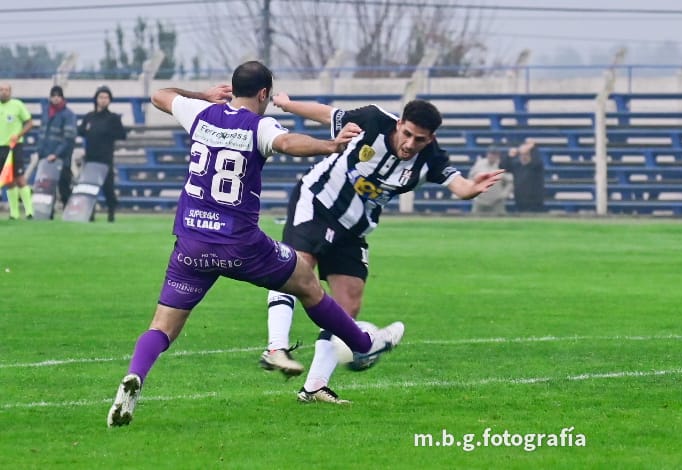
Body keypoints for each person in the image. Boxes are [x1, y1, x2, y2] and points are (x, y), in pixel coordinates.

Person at [107, 61, 405, 427]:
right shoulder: (259, 125)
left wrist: (202, 94)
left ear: (232, 89)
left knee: (162, 327)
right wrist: (329, 145)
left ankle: (135, 375)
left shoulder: (200, 112)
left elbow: (159, 95)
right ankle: (362, 345)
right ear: (264, 93)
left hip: (191, 243)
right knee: (308, 284)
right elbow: (287, 142)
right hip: (240, 245)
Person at [261, 93, 504, 404]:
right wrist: (288, 104)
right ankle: (275, 348)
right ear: (399, 123)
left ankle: (314, 387)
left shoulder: (430, 158)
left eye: (420, 139)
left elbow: (460, 186)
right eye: (407, 134)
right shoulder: (373, 120)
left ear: (430, 138)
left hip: (354, 228)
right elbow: (327, 114)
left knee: (349, 304)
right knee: (296, 269)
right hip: (318, 201)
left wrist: (473, 188)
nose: (410, 144)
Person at [77, 85, 127, 222]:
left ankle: (111, 212)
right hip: (90, 157)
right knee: (89, 187)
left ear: (110, 100)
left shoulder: (113, 118)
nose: (103, 100)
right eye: (101, 97)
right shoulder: (89, 117)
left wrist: (108, 133)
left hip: (105, 158)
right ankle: (90, 213)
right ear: (96, 99)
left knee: (108, 187)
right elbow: (80, 131)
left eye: (106, 97)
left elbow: (122, 134)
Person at [36, 85, 77, 212]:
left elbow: (69, 139)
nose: (56, 98)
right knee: (46, 188)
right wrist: (40, 151)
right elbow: (42, 134)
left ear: (62, 98)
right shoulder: (46, 112)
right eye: (53, 96)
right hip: (45, 156)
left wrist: (56, 154)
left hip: (62, 158)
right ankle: (47, 213)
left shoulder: (69, 115)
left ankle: (69, 211)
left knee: (64, 186)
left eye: (59, 96)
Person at [0, 82, 34, 219]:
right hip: (1, 147)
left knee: (20, 178)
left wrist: (18, 135)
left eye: (6, 90)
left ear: (10, 92)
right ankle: (14, 213)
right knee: (8, 180)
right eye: (1, 90)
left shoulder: (17, 105)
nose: (3, 92)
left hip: (14, 146)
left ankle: (29, 211)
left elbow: (29, 123)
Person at [500, 138, 544, 212]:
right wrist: (509, 156)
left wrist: (532, 147)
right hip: (520, 201)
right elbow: (503, 167)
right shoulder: (516, 166)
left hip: (535, 202)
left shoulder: (535, 166)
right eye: (522, 154)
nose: (524, 156)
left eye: (526, 154)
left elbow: (537, 160)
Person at [469, 146, 513, 215]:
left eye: (494, 154)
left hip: (497, 202)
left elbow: (510, 182)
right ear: (487, 154)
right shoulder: (479, 165)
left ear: (498, 156)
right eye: (491, 154)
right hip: (480, 201)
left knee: (499, 221)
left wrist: (504, 194)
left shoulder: (502, 165)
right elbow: (471, 179)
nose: (492, 156)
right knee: (476, 220)